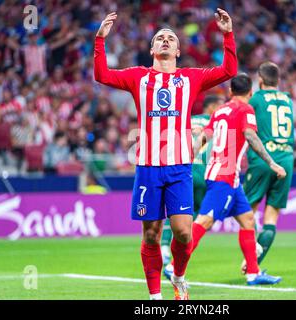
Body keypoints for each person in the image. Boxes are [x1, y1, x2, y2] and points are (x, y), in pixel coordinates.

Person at [94, 9, 237, 300]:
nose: (165, 41)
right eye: (159, 38)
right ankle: (155, 297)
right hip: (148, 167)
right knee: (151, 234)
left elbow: (228, 72)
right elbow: (102, 75)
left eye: (171, 38)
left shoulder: (190, 79)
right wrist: (99, 41)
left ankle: (179, 275)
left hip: (179, 167)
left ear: (178, 49)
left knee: (184, 232)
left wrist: (227, 35)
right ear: (151, 49)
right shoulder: (138, 78)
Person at [164, 74, 286, 285]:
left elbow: (204, 136)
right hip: (224, 176)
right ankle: (173, 266)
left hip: (229, 176)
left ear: (230, 91)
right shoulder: (245, 109)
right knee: (204, 221)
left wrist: (190, 156)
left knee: (247, 219)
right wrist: (272, 163)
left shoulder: (220, 110)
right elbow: (251, 136)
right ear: (250, 92)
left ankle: (253, 274)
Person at [242, 62, 295, 272]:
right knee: (271, 217)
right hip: (287, 159)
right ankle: (254, 264)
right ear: (279, 81)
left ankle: (252, 256)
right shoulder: (288, 100)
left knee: (247, 213)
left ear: (260, 81)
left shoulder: (255, 99)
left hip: (263, 160)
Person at [160, 95, 225, 266]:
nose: (220, 109)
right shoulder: (217, 124)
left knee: (177, 211)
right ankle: (180, 253)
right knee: (200, 214)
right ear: (210, 107)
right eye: (219, 105)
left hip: (184, 171)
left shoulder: (186, 121)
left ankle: (165, 248)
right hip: (205, 173)